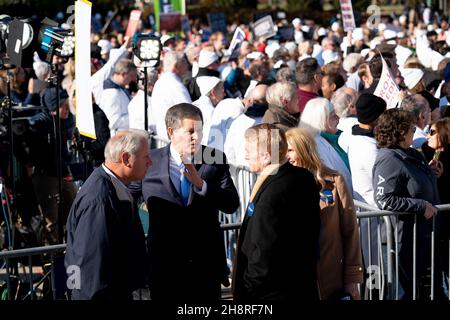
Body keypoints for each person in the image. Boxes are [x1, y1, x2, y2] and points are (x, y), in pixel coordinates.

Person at [130, 103, 240, 301]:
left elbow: (231, 203)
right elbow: (127, 198)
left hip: (205, 266)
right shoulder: (150, 161)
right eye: (190, 131)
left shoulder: (214, 158)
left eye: (199, 130)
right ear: (171, 132)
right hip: (164, 265)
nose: (196, 137)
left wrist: (202, 185)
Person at [233, 123, 321, 301]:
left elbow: (263, 251)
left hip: (271, 292)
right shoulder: (304, 177)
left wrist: (247, 291)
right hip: (301, 285)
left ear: (266, 156)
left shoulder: (272, 194)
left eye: (249, 150)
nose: (245, 155)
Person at [65, 129, 151, 300]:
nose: (150, 162)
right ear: (126, 159)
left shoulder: (111, 187)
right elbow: (92, 267)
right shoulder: (99, 200)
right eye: (145, 157)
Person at [285, 128, 363, 300]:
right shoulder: (281, 185)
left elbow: (350, 231)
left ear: (304, 149)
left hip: (331, 279)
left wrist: (352, 279)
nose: (286, 156)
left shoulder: (334, 182)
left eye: (290, 150)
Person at [373, 108, 442, 300]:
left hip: (423, 234)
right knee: (402, 292)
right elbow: (384, 199)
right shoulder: (388, 158)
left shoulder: (411, 153)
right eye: (411, 128)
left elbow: (411, 181)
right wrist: (420, 205)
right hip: (404, 238)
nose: (415, 131)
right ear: (399, 131)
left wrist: (429, 173)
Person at [99, 58, 137, 136]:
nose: (133, 79)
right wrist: (136, 116)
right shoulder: (112, 93)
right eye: (131, 76)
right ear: (123, 74)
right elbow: (113, 121)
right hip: (118, 138)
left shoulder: (119, 89)